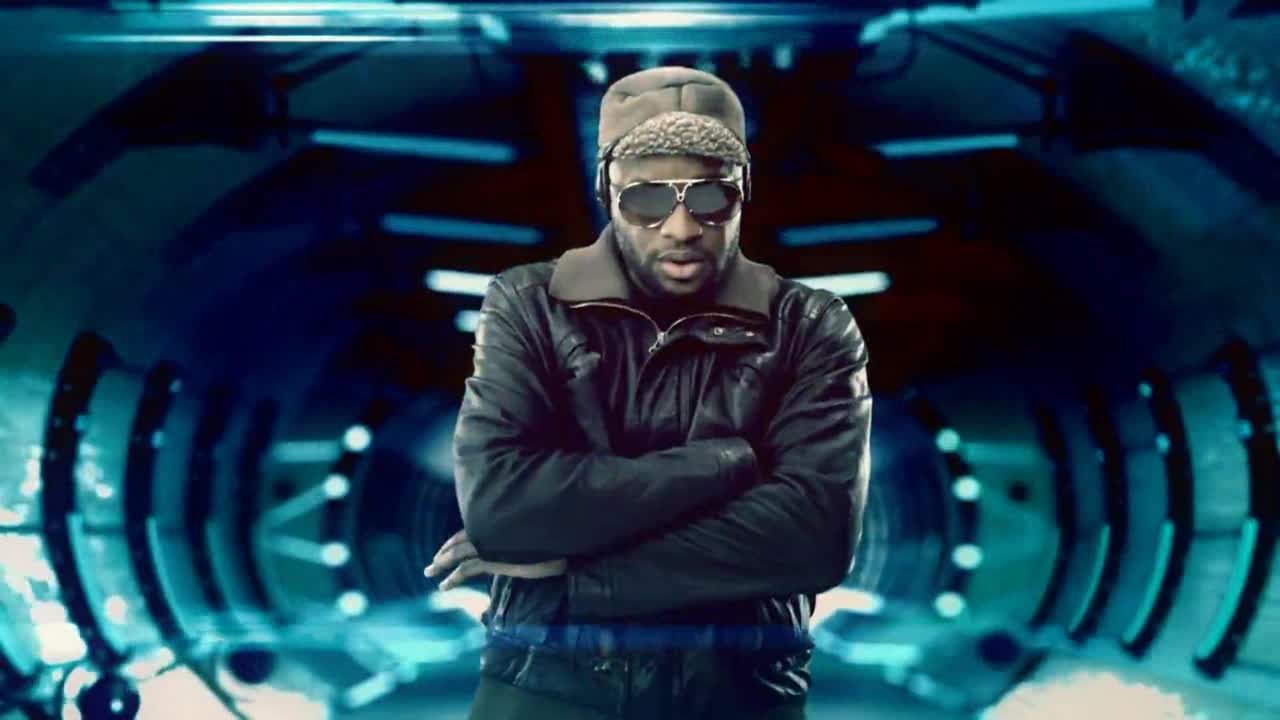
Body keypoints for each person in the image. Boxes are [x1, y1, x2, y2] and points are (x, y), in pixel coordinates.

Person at [426, 66, 872, 720]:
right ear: (607, 193)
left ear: (744, 193)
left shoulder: (810, 325)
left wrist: (575, 571)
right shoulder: (528, 304)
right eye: (648, 199)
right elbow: (502, 510)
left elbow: (812, 539)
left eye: (711, 197)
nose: (682, 227)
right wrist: (724, 464)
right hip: (545, 688)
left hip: (737, 694)